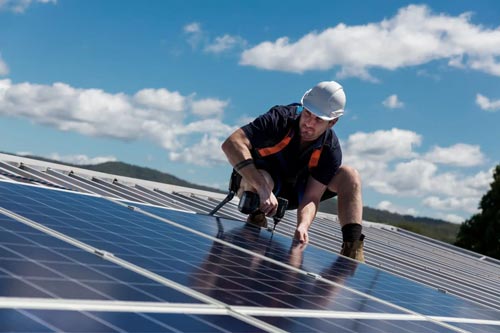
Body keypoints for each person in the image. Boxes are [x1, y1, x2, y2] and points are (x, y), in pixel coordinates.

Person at [221, 81, 364, 261]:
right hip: (257, 184)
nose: (309, 123)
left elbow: (312, 197)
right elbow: (231, 143)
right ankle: (256, 217)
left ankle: (352, 250)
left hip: (295, 193)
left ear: (332, 122)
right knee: (265, 179)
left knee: (350, 176)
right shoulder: (280, 119)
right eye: (307, 114)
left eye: (318, 119)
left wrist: (303, 225)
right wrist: (263, 189)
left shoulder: (330, 150)